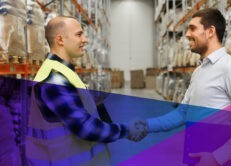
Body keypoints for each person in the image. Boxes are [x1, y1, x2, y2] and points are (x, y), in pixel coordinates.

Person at [130, 8, 231, 165]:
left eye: (193, 28)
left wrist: (218, 157)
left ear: (210, 32)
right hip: (196, 158)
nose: (187, 34)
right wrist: (147, 125)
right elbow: (182, 113)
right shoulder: (199, 71)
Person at [25, 16, 145, 166]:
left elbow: (86, 109)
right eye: (79, 34)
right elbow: (86, 128)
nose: (85, 40)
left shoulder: (64, 71)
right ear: (60, 40)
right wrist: (126, 130)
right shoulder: (54, 79)